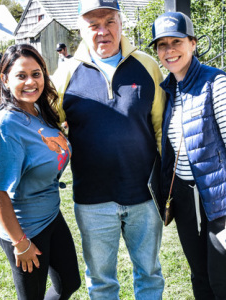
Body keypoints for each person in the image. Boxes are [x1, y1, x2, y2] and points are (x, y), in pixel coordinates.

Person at [52, 0, 166, 299]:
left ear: (120, 23)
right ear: (81, 30)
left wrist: (167, 182)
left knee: (150, 273)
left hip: (145, 195)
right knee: (101, 280)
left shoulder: (147, 65)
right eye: (94, 25)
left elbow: (160, 128)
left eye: (109, 22)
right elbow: (47, 127)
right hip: (93, 200)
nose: (103, 31)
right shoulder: (66, 73)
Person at [148, 12, 226, 299]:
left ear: (193, 43)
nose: (169, 50)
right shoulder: (169, 88)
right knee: (199, 278)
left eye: (176, 41)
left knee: (222, 284)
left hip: (223, 201)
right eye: (162, 45)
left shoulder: (216, 82)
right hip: (186, 200)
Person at [0, 44, 81, 300]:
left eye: (36, 74)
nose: (31, 82)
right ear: (4, 79)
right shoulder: (4, 126)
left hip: (50, 215)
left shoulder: (38, 110)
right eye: (21, 75)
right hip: (24, 227)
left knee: (68, 283)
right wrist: (21, 243)